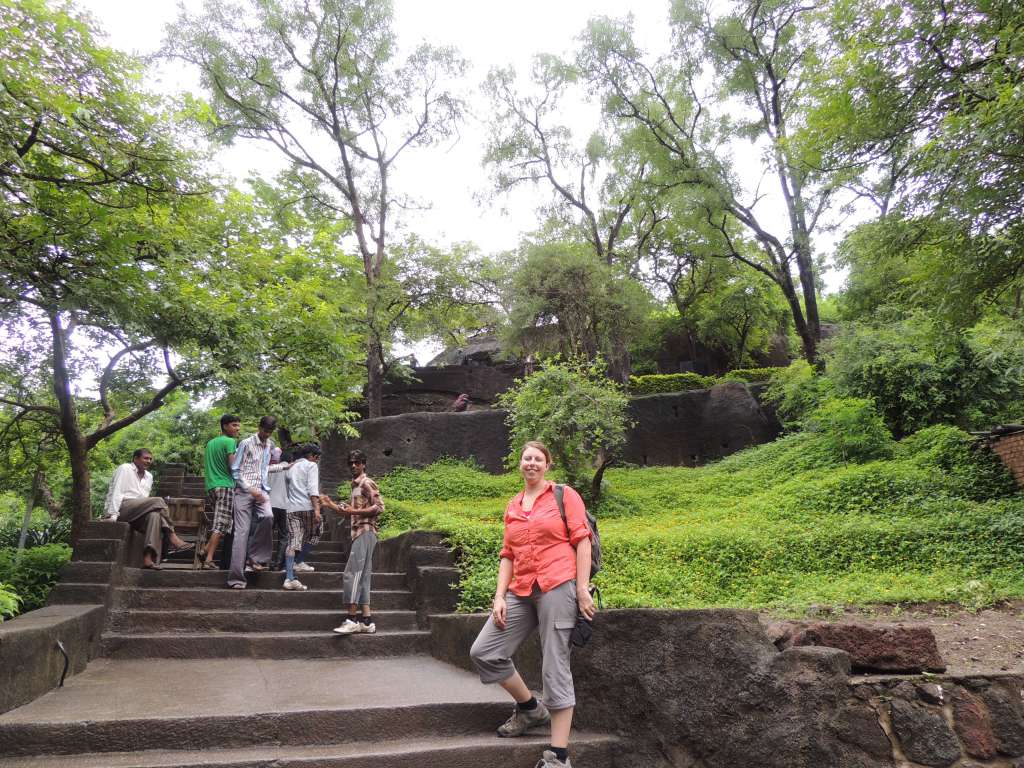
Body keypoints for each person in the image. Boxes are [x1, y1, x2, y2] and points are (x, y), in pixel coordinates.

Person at [468, 441, 597, 768]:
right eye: (527, 458)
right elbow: (507, 554)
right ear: (520, 464)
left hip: (558, 584)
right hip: (521, 588)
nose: (532, 463)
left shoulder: (564, 495)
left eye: (538, 459)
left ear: (548, 465)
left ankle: (558, 756)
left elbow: (582, 540)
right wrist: (499, 596)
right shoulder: (512, 504)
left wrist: (582, 589)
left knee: (555, 666)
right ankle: (530, 709)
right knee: (484, 651)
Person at [323, 449, 383, 635]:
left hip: (365, 532)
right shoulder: (355, 486)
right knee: (363, 575)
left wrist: (353, 512)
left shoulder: (366, 483)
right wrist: (331, 505)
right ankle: (366, 620)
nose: (353, 466)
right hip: (361, 533)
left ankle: (351, 619)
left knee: (353, 573)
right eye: (351, 463)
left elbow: (379, 507)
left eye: (357, 462)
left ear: (364, 464)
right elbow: (350, 511)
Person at [103, 449, 194, 569]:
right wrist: (113, 515)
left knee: (154, 516)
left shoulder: (149, 476)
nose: (149, 461)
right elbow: (117, 491)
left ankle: (147, 559)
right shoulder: (125, 468)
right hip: (122, 508)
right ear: (135, 458)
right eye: (146, 458)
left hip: (137, 511)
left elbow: (144, 499)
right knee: (158, 501)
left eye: (150, 459)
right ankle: (172, 536)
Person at [227, 415, 285, 589]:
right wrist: (248, 487)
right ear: (259, 427)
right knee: (241, 534)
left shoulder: (269, 445)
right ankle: (236, 579)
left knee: (268, 517)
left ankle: (256, 558)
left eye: (269, 432)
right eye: (264, 430)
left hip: (261, 491)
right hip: (243, 492)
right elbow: (235, 470)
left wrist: (283, 466)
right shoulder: (245, 443)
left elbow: (264, 469)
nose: (266, 434)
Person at [201, 414, 241, 570]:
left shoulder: (210, 443)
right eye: (234, 425)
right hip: (225, 486)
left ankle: (204, 549)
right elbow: (233, 466)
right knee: (221, 524)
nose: (237, 429)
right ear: (225, 426)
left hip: (210, 486)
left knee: (225, 522)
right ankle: (209, 559)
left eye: (238, 425)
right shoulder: (230, 441)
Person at [282, 444, 324, 591]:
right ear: (312, 456)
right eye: (317, 457)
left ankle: (289, 577)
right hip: (307, 507)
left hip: (292, 508)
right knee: (317, 532)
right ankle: (299, 561)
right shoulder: (311, 466)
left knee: (293, 541)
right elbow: (313, 488)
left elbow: (287, 489)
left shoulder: (291, 467)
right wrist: (317, 509)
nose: (317, 460)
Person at [268, 446, 291, 572]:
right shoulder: (289, 469)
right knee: (283, 535)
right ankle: (278, 564)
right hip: (283, 505)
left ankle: (265, 561)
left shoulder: (271, 469)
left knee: (268, 534)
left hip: (270, 505)